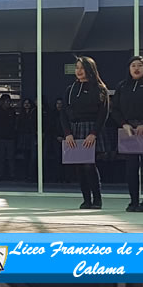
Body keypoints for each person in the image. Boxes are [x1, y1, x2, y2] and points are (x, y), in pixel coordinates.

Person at [111, 55, 143, 212]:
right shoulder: (122, 86)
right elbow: (115, 109)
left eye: (139, 65)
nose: (136, 68)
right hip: (129, 130)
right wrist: (123, 123)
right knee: (131, 167)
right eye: (133, 65)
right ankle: (133, 201)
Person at [60, 56, 109, 210]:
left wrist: (94, 133)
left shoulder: (100, 89)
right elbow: (63, 113)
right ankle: (86, 199)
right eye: (77, 68)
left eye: (82, 68)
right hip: (74, 130)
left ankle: (97, 199)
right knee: (79, 167)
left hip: (91, 129)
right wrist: (67, 133)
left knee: (89, 165)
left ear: (90, 69)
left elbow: (103, 113)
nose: (79, 71)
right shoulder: (70, 89)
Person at [0, 94, 17, 181]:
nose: (8, 103)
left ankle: (12, 175)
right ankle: (0, 175)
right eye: (6, 101)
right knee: (0, 157)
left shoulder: (12, 111)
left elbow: (14, 124)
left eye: (9, 101)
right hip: (0, 137)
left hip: (10, 138)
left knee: (11, 157)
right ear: (2, 102)